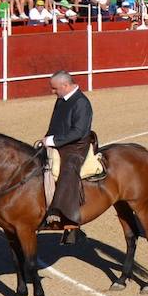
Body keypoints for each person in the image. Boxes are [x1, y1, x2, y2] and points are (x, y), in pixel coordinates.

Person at [37, 70, 94, 234]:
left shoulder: (82, 103)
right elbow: (54, 124)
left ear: (65, 85)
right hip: (59, 141)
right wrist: (46, 140)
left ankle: (66, 218)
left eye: (54, 88)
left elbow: (78, 132)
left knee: (68, 170)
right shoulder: (61, 99)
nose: (52, 92)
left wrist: (53, 141)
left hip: (76, 146)